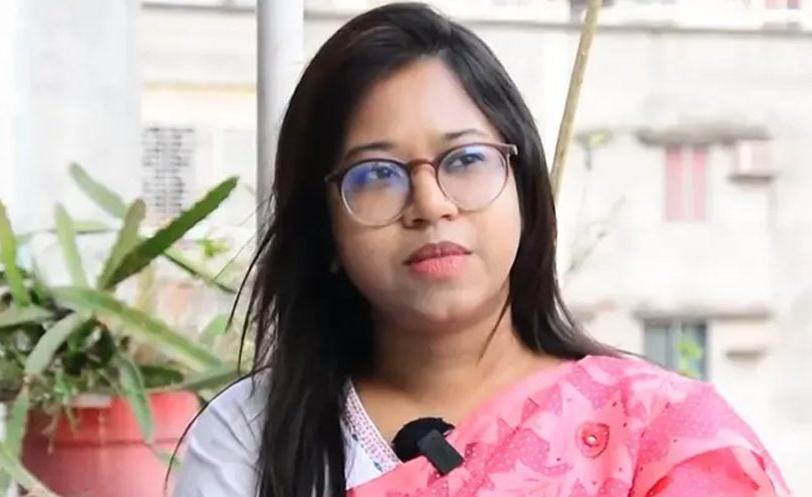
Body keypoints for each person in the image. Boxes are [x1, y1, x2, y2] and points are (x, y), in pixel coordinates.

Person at [173, 3, 791, 497]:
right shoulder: (250, 438)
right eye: (377, 174)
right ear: (324, 223)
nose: (430, 203)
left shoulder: (657, 431)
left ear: (523, 188)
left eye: (465, 160)